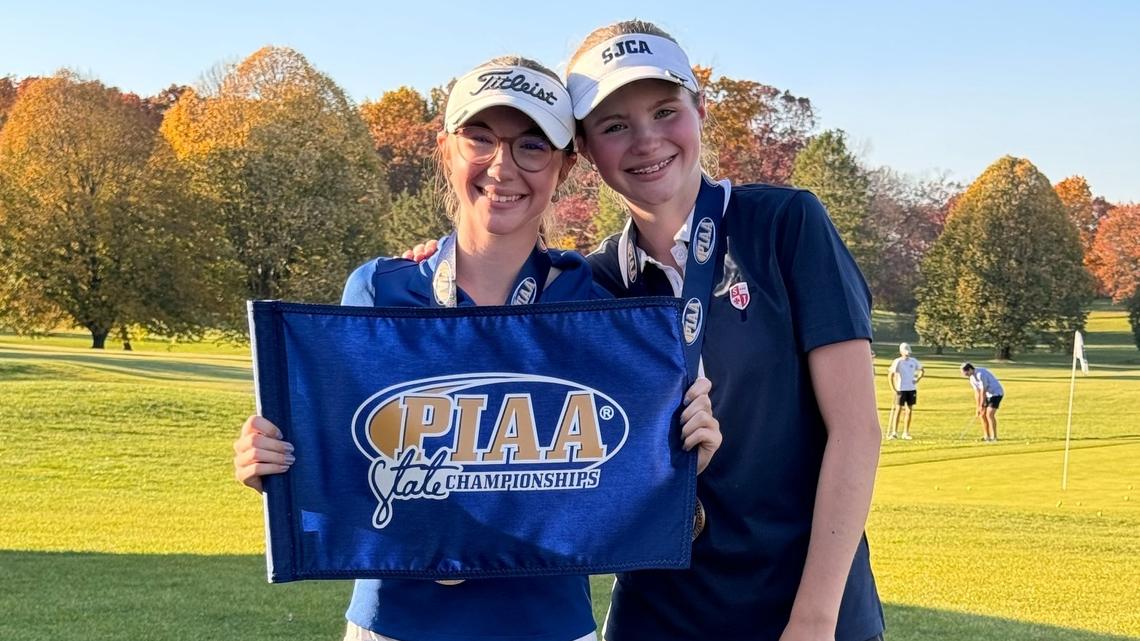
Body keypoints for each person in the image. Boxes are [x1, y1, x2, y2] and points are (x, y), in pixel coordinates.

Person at [232, 56, 722, 641]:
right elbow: (340, 456)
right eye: (480, 138)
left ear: (564, 167)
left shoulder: (594, 301)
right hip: (396, 624)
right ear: (445, 149)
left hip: (549, 625)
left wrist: (682, 459)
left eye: (532, 146)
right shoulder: (379, 289)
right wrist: (275, 465)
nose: (502, 166)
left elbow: (622, 475)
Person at [567, 20, 885, 641]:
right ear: (584, 149)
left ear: (700, 109)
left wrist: (815, 618)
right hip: (657, 615)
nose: (646, 140)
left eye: (665, 111)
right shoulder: (592, 282)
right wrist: (432, 268)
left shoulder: (786, 224)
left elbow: (857, 430)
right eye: (613, 125)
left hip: (805, 611)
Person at [886, 342, 924, 440]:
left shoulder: (913, 361)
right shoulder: (897, 361)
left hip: (911, 389)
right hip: (901, 389)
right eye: (905, 353)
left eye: (908, 353)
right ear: (901, 352)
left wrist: (917, 379)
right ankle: (894, 432)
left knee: (909, 410)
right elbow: (891, 375)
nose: (907, 355)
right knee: (898, 410)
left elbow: (922, 370)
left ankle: (905, 432)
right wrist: (893, 388)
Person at [960, 362, 1004, 442]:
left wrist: (981, 405)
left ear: (970, 369)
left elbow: (983, 390)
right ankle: (986, 436)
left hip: (996, 393)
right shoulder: (972, 378)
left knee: (989, 414)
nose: (965, 375)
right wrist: (978, 407)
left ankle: (994, 437)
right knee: (982, 414)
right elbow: (977, 392)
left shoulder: (981, 374)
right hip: (987, 395)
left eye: (966, 372)